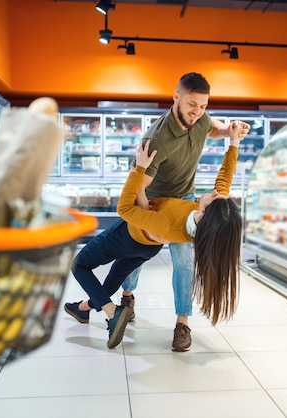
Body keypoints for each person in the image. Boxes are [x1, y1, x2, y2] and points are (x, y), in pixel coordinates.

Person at [64, 123, 245, 349]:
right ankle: (81, 309)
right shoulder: (208, 222)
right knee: (112, 281)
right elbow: (224, 180)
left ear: (204, 211)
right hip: (147, 249)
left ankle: (112, 314)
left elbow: (126, 210)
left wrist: (139, 171)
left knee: (79, 265)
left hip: (128, 236)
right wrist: (234, 142)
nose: (215, 192)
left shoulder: (169, 224)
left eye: (214, 197)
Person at [120, 72, 250, 351]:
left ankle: (183, 323)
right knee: (137, 254)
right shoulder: (156, 139)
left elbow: (211, 127)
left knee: (184, 262)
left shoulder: (200, 118)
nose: (198, 111)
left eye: (203, 106)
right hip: (156, 201)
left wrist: (231, 131)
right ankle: (127, 297)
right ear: (176, 96)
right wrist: (146, 221)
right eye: (192, 104)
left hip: (188, 197)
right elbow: (139, 187)